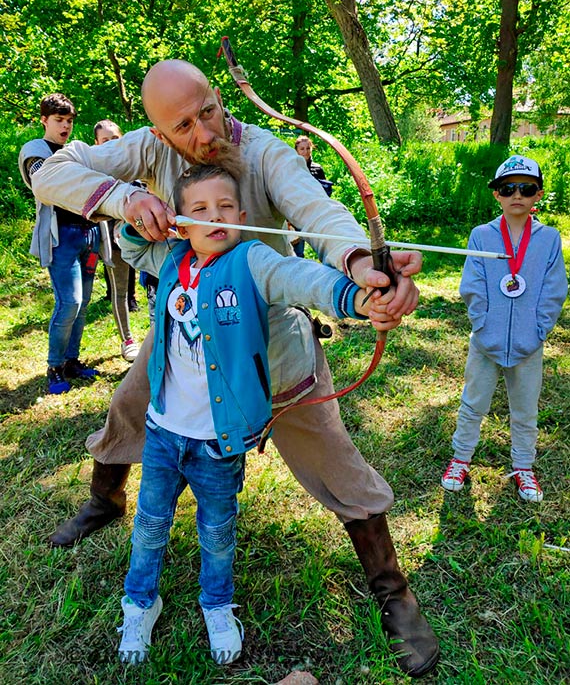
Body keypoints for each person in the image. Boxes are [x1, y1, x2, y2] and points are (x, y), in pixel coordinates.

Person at [33, 59, 438, 677]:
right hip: (188, 333)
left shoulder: (267, 152)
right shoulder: (147, 149)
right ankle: (106, 500)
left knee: (333, 457)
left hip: (270, 345)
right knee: (128, 406)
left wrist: (359, 266)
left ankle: (392, 591)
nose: (203, 132)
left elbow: (319, 212)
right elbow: (51, 174)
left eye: (208, 110)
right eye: (184, 126)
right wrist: (126, 197)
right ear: (161, 135)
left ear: (219, 96)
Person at [117, 163, 387, 666]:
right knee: (150, 522)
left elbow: (300, 278)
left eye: (225, 207)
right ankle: (139, 601)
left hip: (219, 441)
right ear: (179, 222)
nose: (214, 216)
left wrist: (354, 295)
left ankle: (216, 604)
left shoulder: (253, 261)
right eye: (198, 209)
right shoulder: (171, 257)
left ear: (242, 216)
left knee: (217, 530)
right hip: (162, 432)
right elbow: (130, 244)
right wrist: (138, 215)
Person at [441, 155, 568, 502]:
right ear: (496, 194)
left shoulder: (549, 239)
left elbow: (555, 290)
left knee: (525, 410)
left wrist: (538, 331)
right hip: (486, 341)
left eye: (525, 189)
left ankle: (524, 467)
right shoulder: (481, 236)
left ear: (538, 195)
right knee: (473, 403)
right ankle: (460, 459)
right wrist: (483, 326)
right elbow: (472, 285)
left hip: (530, 344)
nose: (517, 195)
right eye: (507, 188)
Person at [18, 93, 102, 395]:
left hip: (90, 233)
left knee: (83, 305)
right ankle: (53, 367)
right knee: (69, 303)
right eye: (59, 120)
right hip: (61, 236)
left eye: (69, 120)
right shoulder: (35, 152)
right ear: (44, 120)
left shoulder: (73, 151)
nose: (65, 126)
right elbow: (48, 189)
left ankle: (71, 362)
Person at [93, 119, 140, 362]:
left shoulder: (134, 165)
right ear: (96, 143)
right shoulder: (93, 170)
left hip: (143, 238)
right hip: (112, 240)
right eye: (105, 140)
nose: (111, 144)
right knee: (120, 290)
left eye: (115, 139)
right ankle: (128, 340)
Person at [291, 135, 334, 257]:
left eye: (308, 148)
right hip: (297, 213)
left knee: (323, 247)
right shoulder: (292, 168)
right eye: (302, 149)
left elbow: (325, 192)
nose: (305, 152)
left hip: (316, 213)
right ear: (296, 150)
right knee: (297, 250)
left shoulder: (318, 168)